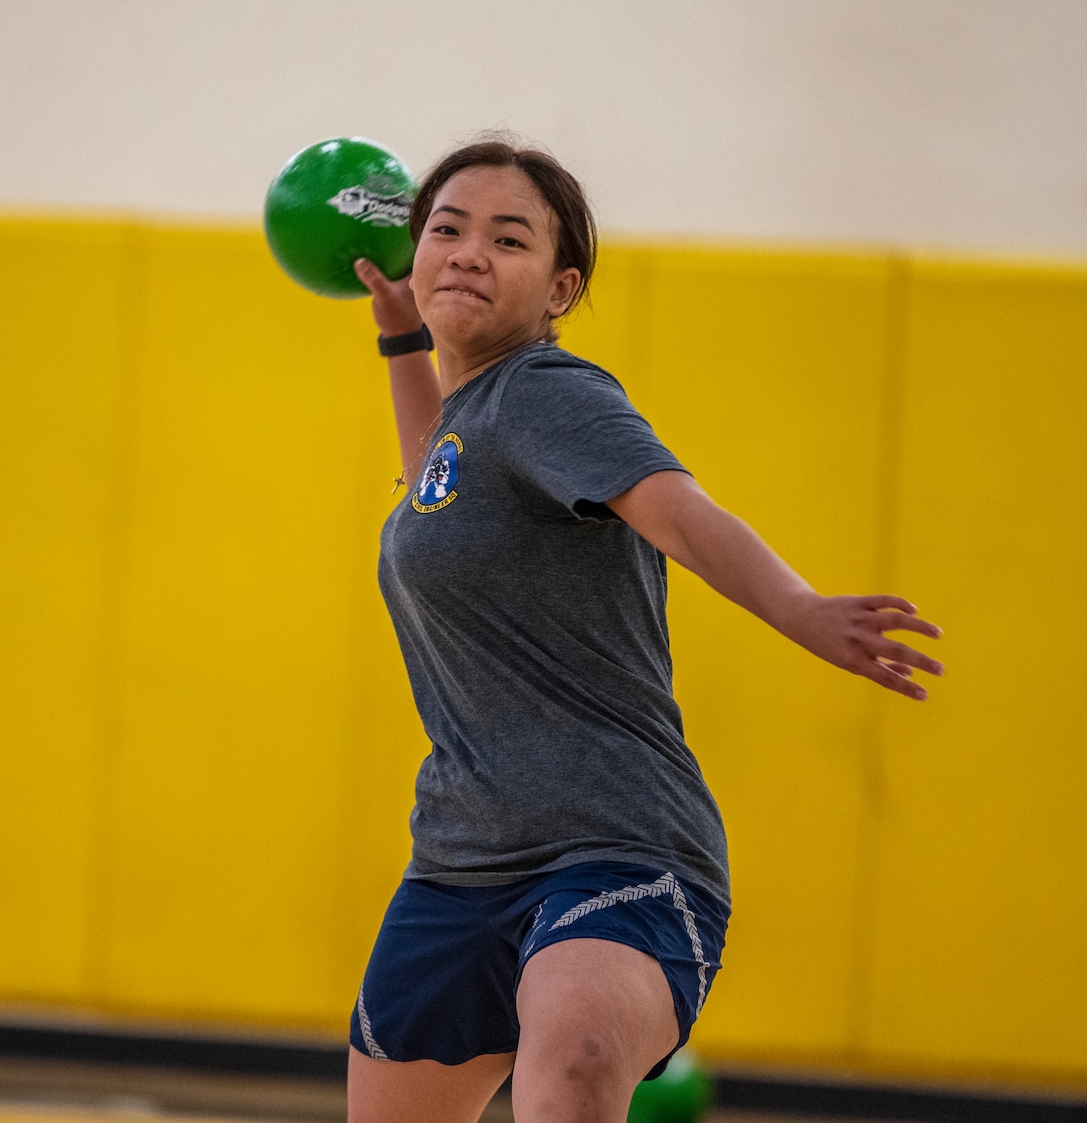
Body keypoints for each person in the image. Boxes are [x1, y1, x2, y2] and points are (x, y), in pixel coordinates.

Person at [346, 137, 942, 1123]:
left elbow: (677, 511)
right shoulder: (477, 422)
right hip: (458, 859)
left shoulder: (548, 394)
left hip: (613, 844)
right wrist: (401, 342)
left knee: (574, 1066)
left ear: (558, 289)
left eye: (507, 238)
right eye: (444, 229)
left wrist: (798, 606)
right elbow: (436, 479)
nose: (464, 251)